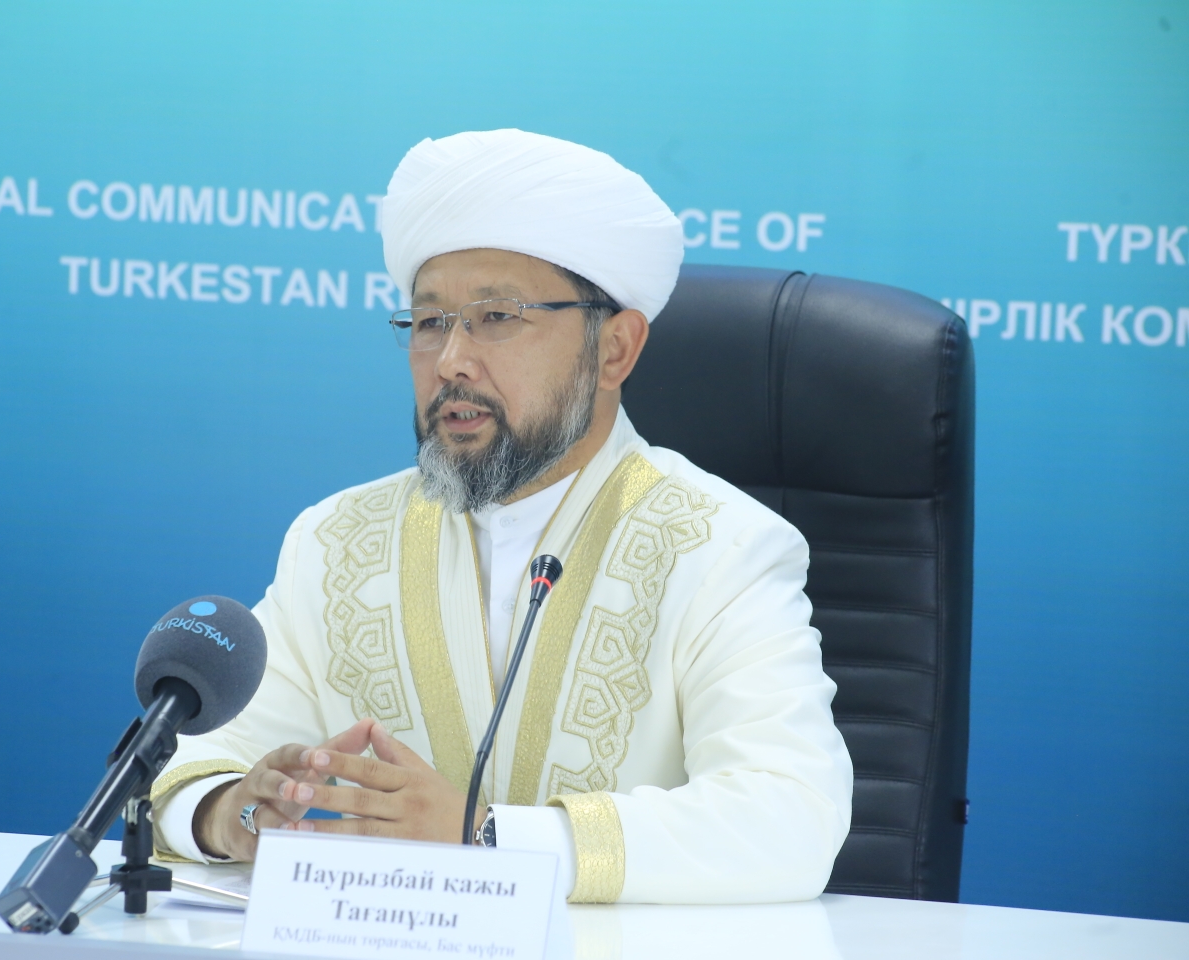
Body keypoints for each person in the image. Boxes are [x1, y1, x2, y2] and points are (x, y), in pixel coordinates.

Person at [151, 129, 852, 904]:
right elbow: (194, 767)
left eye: (496, 317)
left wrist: (487, 837)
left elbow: (790, 815)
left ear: (615, 350)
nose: (451, 359)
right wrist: (232, 814)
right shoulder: (338, 541)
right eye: (429, 322)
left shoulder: (721, 546)